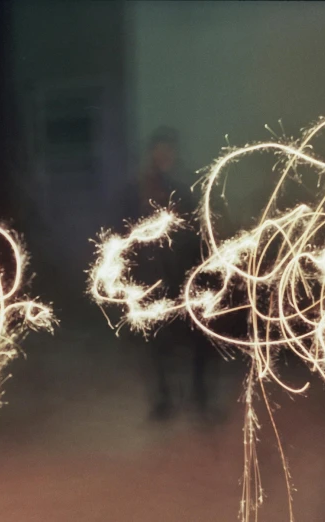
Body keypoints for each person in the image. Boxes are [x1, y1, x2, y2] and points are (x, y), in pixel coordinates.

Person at [117, 127, 220, 423]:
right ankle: (163, 401)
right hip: (150, 279)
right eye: (160, 151)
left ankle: (200, 398)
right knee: (157, 343)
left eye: (169, 151)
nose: (165, 157)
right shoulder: (136, 192)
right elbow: (123, 235)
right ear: (152, 154)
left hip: (182, 276)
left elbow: (196, 231)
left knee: (198, 338)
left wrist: (203, 270)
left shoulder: (182, 189)